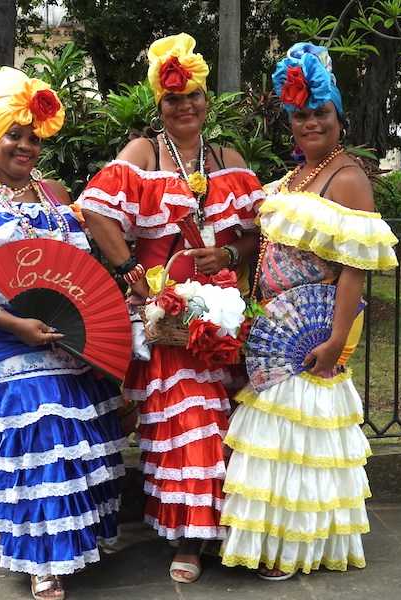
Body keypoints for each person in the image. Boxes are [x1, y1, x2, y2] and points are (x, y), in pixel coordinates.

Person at [0, 67, 126, 600]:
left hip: (71, 339)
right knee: (43, 436)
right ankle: (44, 559)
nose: (25, 146)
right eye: (14, 135)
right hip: (12, 337)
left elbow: (77, 271)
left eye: (34, 138)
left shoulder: (57, 195)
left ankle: (81, 539)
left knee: (80, 441)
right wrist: (12, 321)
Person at [77, 33, 264, 583]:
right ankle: (189, 539)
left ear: (207, 99)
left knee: (227, 424)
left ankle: (229, 533)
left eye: (194, 96)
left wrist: (228, 254)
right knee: (187, 423)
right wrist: (135, 274)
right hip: (167, 321)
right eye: (173, 99)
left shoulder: (227, 159)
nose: (186, 107)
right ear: (159, 104)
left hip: (223, 318)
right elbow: (95, 211)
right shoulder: (144, 154)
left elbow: (259, 231)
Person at [219, 43, 399, 580]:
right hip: (276, 331)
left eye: (320, 113)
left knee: (299, 445)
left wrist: (336, 339)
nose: (310, 123)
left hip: (311, 339)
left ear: (339, 117)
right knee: (274, 444)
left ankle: (293, 548)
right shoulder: (298, 175)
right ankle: (270, 542)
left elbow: (354, 268)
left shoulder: (347, 177)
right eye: (300, 115)